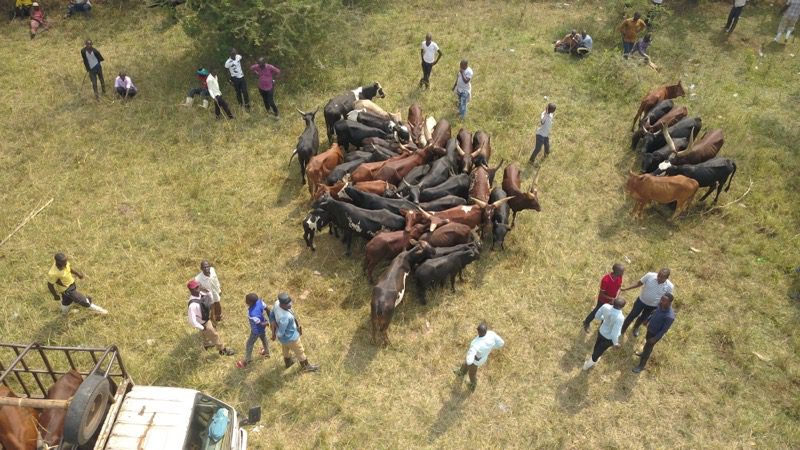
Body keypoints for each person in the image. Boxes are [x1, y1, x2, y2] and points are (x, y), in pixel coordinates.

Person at [269, 293, 319, 372]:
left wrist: (273, 322)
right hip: (291, 338)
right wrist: (275, 334)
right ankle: (306, 367)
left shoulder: (276, 303)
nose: (290, 305)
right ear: (282, 304)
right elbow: (281, 332)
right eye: (287, 304)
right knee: (300, 351)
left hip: (283, 339)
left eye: (290, 302)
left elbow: (271, 313)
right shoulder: (284, 317)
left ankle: (288, 363)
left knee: (285, 349)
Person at [619, 268, 674, 337]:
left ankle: (636, 328)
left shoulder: (670, 286)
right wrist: (626, 288)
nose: (659, 278)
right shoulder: (650, 275)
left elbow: (667, 299)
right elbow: (639, 283)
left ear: (667, 278)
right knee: (632, 315)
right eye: (658, 275)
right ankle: (622, 329)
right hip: (641, 301)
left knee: (643, 318)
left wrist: (663, 309)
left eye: (661, 277)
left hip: (653, 306)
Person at [187, 279, 235, 356]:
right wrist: (202, 327)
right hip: (203, 322)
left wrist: (206, 291)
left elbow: (210, 296)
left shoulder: (201, 293)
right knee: (214, 334)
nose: (198, 289)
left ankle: (207, 344)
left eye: (198, 286)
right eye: (196, 288)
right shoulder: (192, 305)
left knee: (204, 334)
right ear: (191, 290)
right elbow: (192, 320)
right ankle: (222, 350)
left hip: (206, 317)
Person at [453, 322, 504, 392]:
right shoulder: (491, 334)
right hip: (483, 358)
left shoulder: (476, 344)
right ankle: (461, 372)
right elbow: (501, 343)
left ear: (479, 332)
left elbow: (469, 361)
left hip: (475, 362)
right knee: (464, 364)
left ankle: (472, 386)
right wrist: (491, 347)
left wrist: (469, 358)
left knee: (472, 374)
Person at [632, 293, 675, 373]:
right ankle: (643, 353)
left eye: (664, 301)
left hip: (655, 335)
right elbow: (654, 312)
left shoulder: (669, 316)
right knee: (646, 344)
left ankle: (641, 366)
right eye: (661, 299)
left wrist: (655, 339)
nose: (661, 301)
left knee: (648, 348)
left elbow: (663, 330)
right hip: (650, 329)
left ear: (669, 303)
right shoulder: (660, 305)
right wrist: (648, 320)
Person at [583, 298, 626, 370]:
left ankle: (593, 358)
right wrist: (616, 344)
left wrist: (605, 318)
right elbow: (614, 334)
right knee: (599, 351)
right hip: (609, 339)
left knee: (597, 345)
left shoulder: (605, 306)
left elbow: (597, 316)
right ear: (622, 307)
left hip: (601, 331)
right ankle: (587, 366)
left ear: (613, 302)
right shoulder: (620, 317)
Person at [583, 263, 625, 333]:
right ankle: (586, 322)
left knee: (608, 314)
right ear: (616, 272)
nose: (623, 273)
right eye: (622, 272)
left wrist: (615, 298)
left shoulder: (619, 277)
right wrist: (611, 299)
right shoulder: (606, 280)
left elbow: (619, 288)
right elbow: (601, 294)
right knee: (596, 311)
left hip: (612, 300)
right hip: (603, 300)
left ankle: (602, 327)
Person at [236, 293, 271, 369]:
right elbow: (267, 309)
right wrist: (271, 319)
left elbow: (261, 324)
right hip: (262, 329)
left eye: (246, 300)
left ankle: (246, 361)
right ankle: (267, 352)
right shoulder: (260, 302)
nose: (245, 301)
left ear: (250, 302)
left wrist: (267, 323)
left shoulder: (252, 313)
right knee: (263, 338)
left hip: (256, 331)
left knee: (249, 344)